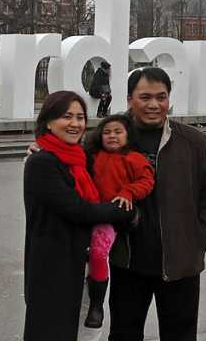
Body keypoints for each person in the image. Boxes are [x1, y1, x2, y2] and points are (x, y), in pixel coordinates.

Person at [107, 67, 206, 341]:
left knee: (180, 335)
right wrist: (42, 151)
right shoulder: (109, 138)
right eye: (145, 97)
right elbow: (76, 165)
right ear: (129, 99)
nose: (154, 104)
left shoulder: (194, 142)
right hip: (128, 261)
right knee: (124, 333)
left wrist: (198, 239)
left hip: (180, 263)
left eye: (161, 97)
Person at [23, 90, 135, 341]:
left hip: (87, 263)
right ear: (49, 121)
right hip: (54, 268)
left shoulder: (82, 157)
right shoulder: (42, 163)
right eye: (67, 116)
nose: (75, 124)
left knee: (86, 334)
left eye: (80, 117)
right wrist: (123, 211)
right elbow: (77, 209)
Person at [82, 114, 155, 329]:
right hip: (90, 212)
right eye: (107, 132)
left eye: (118, 132)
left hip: (113, 216)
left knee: (98, 252)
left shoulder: (134, 158)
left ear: (128, 135)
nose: (112, 136)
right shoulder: (93, 156)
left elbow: (147, 180)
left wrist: (128, 192)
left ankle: (96, 306)